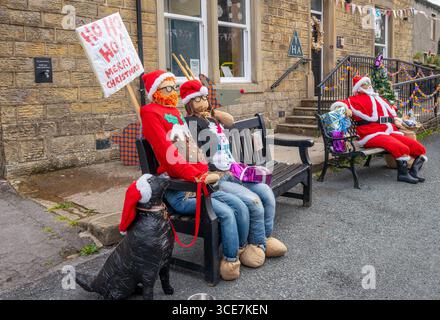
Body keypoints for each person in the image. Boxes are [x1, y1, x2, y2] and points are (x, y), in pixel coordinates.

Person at [140, 70, 249, 281]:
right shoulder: (150, 112)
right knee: (226, 211)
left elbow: (192, 150)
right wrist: (197, 176)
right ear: (155, 91)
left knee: (240, 204)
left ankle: (239, 251)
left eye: (174, 86)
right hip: (180, 190)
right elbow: (168, 155)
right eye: (167, 88)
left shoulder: (174, 112)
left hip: (199, 181)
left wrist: (203, 170)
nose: (173, 92)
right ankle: (230, 258)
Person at [181, 79, 287, 269]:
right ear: (189, 103)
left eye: (205, 98)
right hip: (216, 177)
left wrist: (213, 114)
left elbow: (230, 121)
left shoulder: (210, 118)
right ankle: (254, 246)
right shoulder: (190, 123)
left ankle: (264, 238)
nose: (203, 102)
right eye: (198, 99)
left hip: (233, 170)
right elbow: (206, 148)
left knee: (266, 193)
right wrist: (206, 122)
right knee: (253, 201)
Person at [332, 76, 427, 184]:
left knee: (418, 148)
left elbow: (392, 112)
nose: (369, 85)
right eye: (365, 84)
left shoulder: (379, 98)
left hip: (388, 131)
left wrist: (396, 119)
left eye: (369, 83)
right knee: (402, 148)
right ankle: (403, 174)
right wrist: (344, 109)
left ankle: (414, 171)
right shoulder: (353, 100)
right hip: (370, 134)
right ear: (358, 88)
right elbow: (339, 105)